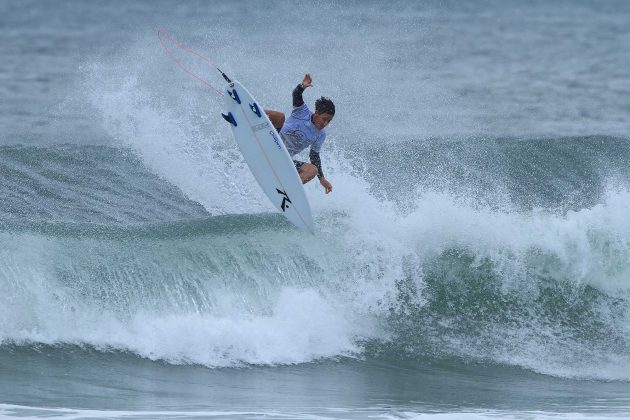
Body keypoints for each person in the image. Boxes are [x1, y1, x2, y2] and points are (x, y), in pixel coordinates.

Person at [265, 74, 334, 194]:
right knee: (280, 116)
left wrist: (322, 179)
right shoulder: (302, 112)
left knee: (313, 170)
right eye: (324, 119)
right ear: (317, 113)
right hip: (272, 142)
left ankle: (288, 189)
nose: (326, 123)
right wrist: (302, 86)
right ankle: (249, 113)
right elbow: (296, 95)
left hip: (283, 159)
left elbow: (314, 156)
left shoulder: (320, 135)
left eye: (329, 121)